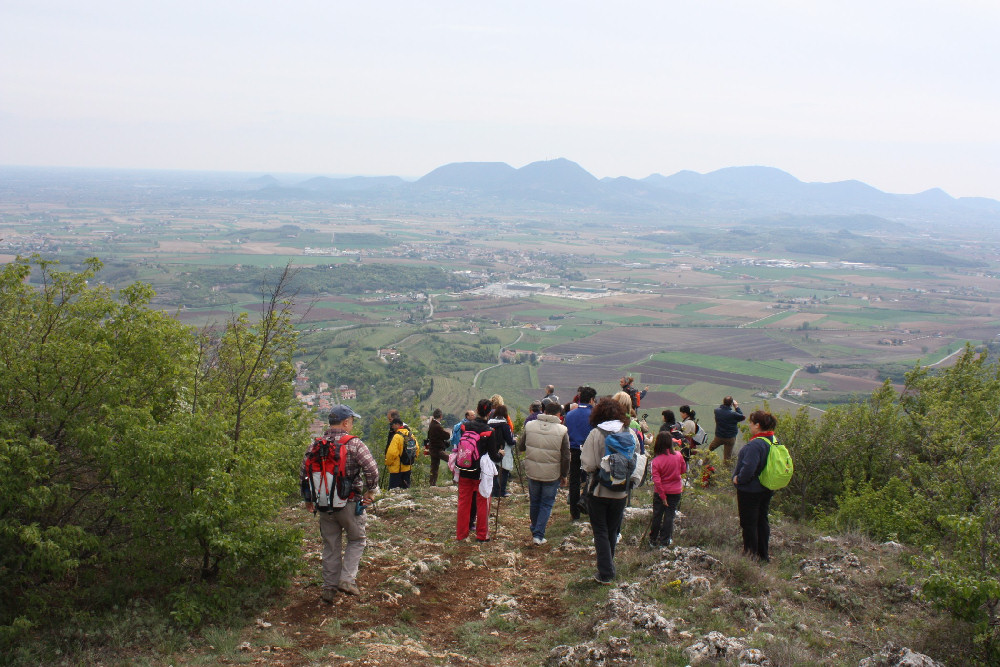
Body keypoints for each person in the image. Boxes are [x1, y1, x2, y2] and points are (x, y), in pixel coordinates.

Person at [300, 405, 378, 601]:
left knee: (331, 545)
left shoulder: (315, 445)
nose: (352, 424)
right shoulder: (354, 444)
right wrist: (371, 490)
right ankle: (347, 580)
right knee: (357, 539)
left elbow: (304, 473)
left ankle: (329, 588)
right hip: (349, 502)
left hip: (324, 504)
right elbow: (372, 469)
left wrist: (309, 499)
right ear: (345, 422)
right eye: (352, 421)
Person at [581, 396, 634, 585]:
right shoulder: (629, 432)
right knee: (612, 530)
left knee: (600, 531)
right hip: (621, 491)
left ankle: (606, 573)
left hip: (599, 490)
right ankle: (608, 566)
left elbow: (588, 464)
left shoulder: (596, 434)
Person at [518, 401, 570, 545]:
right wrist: (564, 475)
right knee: (546, 503)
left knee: (534, 501)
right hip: (552, 473)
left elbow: (521, 446)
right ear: (559, 415)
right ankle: (538, 534)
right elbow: (566, 456)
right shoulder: (562, 430)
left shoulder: (530, 426)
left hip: (532, 470)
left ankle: (535, 528)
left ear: (544, 411)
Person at [732, 410, 778, 562]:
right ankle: (763, 555)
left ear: (757, 425)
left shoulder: (756, 444)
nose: (750, 426)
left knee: (749, 523)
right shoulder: (773, 440)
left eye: (751, 423)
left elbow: (749, 467)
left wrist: (739, 479)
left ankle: (750, 555)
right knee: (762, 520)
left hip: (750, 490)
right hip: (767, 487)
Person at [456, 399, 503, 542]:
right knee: (482, 502)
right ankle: (482, 535)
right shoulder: (489, 431)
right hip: (480, 472)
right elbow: (494, 456)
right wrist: (500, 453)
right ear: (489, 412)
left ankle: (461, 534)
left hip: (464, 467)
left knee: (463, 502)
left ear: (476, 410)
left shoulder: (465, 426)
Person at [563, 386, 597, 520]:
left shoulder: (570, 414)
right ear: (591, 399)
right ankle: (587, 505)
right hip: (590, 450)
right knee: (592, 478)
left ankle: (574, 512)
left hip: (574, 450)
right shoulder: (594, 414)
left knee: (574, 481)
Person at [649, 431, 686, 548]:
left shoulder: (656, 461)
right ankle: (665, 541)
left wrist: (663, 496)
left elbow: (657, 481)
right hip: (675, 491)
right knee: (669, 516)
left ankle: (653, 539)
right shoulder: (679, 455)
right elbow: (683, 470)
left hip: (661, 492)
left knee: (657, 515)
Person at [488, 404, 515, 497]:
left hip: (491, 449)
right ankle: (501, 491)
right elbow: (510, 441)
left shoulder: (489, 424)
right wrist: (515, 440)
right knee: (504, 471)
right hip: (504, 449)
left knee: (493, 470)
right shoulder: (505, 425)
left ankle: (494, 491)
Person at [385, 417, 419, 490]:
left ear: (397, 424)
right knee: (405, 490)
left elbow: (392, 453)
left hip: (397, 469)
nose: (392, 427)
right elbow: (417, 448)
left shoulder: (397, 436)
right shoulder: (410, 434)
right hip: (408, 467)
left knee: (393, 491)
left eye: (392, 425)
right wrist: (412, 458)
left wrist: (388, 462)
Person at [710, 396, 745, 465]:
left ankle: (703, 464)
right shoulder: (733, 414)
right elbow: (742, 416)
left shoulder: (717, 411)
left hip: (719, 437)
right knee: (727, 458)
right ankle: (725, 472)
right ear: (731, 404)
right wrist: (736, 407)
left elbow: (721, 409)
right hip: (730, 438)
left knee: (710, 450)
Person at [425, 408, 451, 486]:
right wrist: (448, 433)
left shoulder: (431, 425)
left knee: (434, 467)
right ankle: (455, 480)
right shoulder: (437, 426)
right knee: (451, 461)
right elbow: (446, 436)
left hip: (432, 449)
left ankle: (432, 484)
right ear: (441, 416)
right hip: (438, 449)